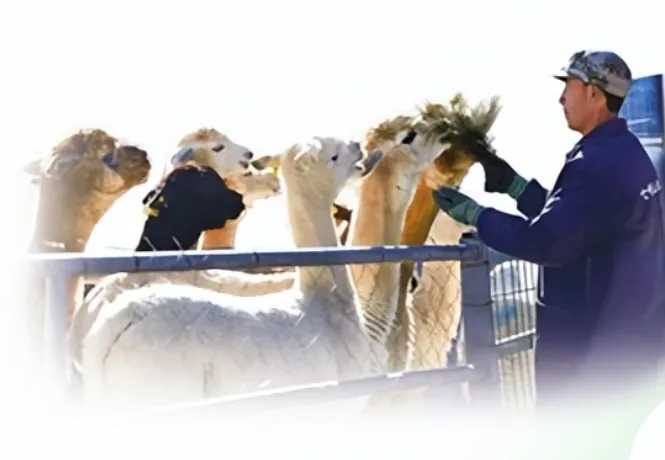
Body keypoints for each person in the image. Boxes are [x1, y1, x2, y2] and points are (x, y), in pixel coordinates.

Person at [432, 50, 665, 415]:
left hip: (587, 359)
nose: (561, 99)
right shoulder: (625, 152)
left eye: (568, 87)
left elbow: (548, 242)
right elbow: (582, 220)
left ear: (594, 93)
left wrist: (478, 215)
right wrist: (517, 188)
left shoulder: (595, 164)